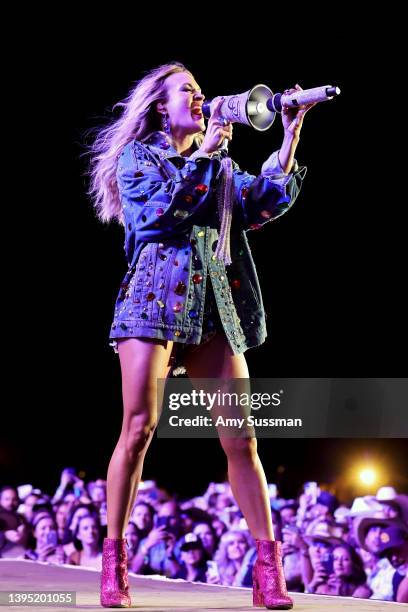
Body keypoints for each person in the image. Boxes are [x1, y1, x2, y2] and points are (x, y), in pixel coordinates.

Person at [89, 61, 315, 609]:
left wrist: (289, 135)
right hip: (152, 302)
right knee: (138, 429)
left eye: (200, 89)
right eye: (185, 90)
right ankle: (115, 562)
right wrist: (205, 156)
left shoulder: (220, 164)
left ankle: (268, 570)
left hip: (214, 304)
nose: (199, 97)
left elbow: (263, 203)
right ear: (160, 108)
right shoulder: (137, 158)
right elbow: (162, 217)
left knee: (242, 440)